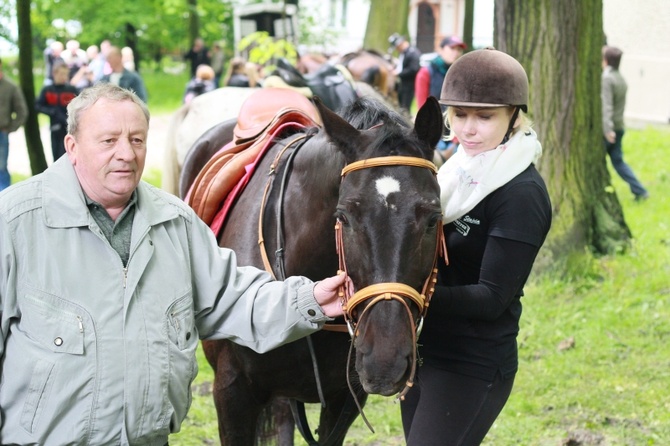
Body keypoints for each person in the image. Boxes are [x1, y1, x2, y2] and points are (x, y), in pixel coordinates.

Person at [0, 83, 346, 445]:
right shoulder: (15, 222)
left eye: (137, 140)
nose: (126, 154)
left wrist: (312, 300)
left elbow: (233, 299)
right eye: (108, 141)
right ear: (72, 147)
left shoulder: (174, 222)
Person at [400, 48, 552, 445]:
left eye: (485, 117)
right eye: (460, 115)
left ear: (514, 117)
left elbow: (491, 298)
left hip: (472, 363)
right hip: (425, 350)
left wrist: (409, 296)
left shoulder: (521, 193)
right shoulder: (455, 172)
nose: (468, 129)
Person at [601, 45, 649, 201]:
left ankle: (603, 193)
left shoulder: (607, 79)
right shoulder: (621, 78)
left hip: (610, 130)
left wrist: (608, 130)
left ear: (606, 60)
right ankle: (640, 191)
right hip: (619, 127)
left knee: (599, 163)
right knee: (618, 162)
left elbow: (606, 106)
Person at [415, 35, 467, 162]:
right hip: (435, 133)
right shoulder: (426, 72)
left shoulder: (462, 74)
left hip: (459, 132)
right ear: (441, 49)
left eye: (459, 50)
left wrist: (456, 140)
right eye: (452, 48)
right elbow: (423, 107)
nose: (456, 53)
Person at [35, 63, 79, 161]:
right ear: (54, 73)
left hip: (69, 127)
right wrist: (51, 111)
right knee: (57, 155)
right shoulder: (48, 90)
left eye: (66, 74)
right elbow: (38, 106)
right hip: (55, 127)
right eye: (61, 74)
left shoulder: (72, 90)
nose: (64, 77)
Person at [0, 57, 28, 191]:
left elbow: (22, 111)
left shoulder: (10, 86)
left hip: (2, 132)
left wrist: (10, 128)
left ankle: (3, 200)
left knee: (1, 167)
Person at [388, 33, 422, 113]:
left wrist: (398, 73)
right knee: (401, 105)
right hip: (403, 84)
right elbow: (402, 65)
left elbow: (413, 69)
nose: (397, 49)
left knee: (405, 107)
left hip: (409, 85)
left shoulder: (413, 53)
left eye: (397, 47)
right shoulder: (403, 53)